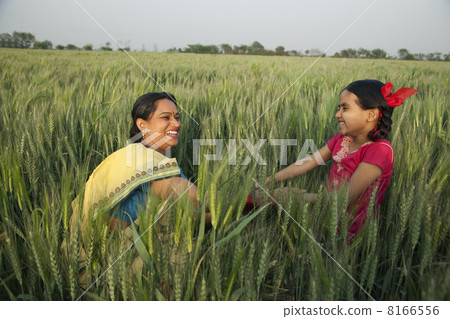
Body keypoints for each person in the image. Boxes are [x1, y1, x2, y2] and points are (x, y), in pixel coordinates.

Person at [260, 80, 418, 236]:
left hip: (351, 227)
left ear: (371, 114)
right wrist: (272, 179)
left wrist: (298, 198)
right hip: (324, 211)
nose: (337, 114)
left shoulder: (380, 151)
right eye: (339, 108)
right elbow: (308, 162)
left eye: (345, 108)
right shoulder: (342, 139)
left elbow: (346, 196)